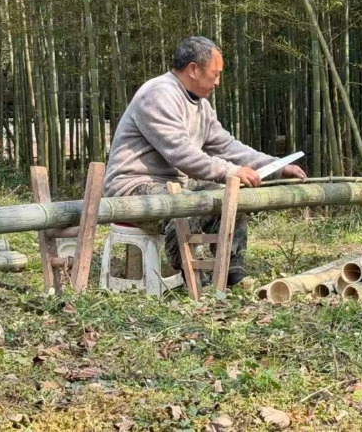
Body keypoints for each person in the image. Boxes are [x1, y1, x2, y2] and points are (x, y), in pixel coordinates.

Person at [103, 35, 306, 286]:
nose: (218, 82)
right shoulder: (158, 95)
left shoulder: (200, 105)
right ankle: (189, 273)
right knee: (188, 204)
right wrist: (230, 171)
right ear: (193, 70)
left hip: (175, 185)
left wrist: (276, 166)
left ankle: (232, 271)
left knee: (229, 198)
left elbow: (227, 146)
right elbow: (181, 153)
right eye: (215, 74)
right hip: (133, 185)